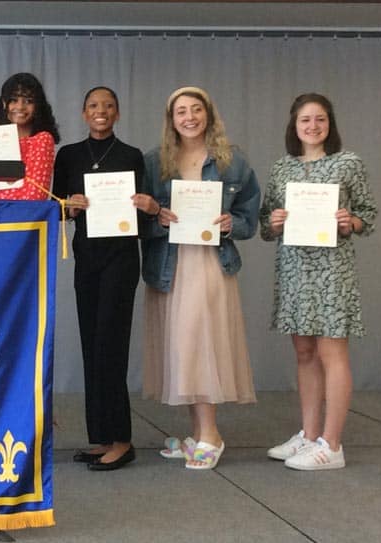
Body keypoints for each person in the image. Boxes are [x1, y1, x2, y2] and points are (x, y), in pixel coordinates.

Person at [140, 86, 259, 470]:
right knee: (183, 347)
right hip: (170, 265)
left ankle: (211, 435)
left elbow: (249, 218)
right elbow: (139, 220)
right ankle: (196, 434)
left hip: (208, 264)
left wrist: (231, 223)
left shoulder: (231, 162)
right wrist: (156, 217)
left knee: (199, 342)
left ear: (208, 114)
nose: (189, 117)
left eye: (195, 110)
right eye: (180, 112)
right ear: (171, 120)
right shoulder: (155, 162)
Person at [260, 93, 377, 471]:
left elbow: (368, 215)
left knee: (332, 355)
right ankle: (309, 436)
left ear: (330, 124)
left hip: (332, 271)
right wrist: (273, 223)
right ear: (294, 126)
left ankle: (333, 444)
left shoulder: (348, 163)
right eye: (306, 120)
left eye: (320, 119)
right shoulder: (281, 168)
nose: (313, 126)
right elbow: (265, 223)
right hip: (295, 270)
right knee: (305, 353)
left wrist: (351, 222)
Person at [54, 86, 153, 471]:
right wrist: (68, 207)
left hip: (121, 259)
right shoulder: (69, 155)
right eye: (94, 105)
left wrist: (146, 206)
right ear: (83, 113)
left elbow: (145, 208)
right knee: (92, 345)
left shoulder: (131, 156)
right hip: (87, 258)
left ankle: (123, 440)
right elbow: (55, 206)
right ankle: (102, 436)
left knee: (112, 346)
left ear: (118, 113)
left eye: (108, 106)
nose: (101, 111)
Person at [0, 72, 59, 201]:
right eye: (14, 100)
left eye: (28, 101)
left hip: (24, 220)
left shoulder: (42, 139)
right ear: (4, 103)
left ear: (37, 106)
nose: (20, 107)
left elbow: (35, 196)